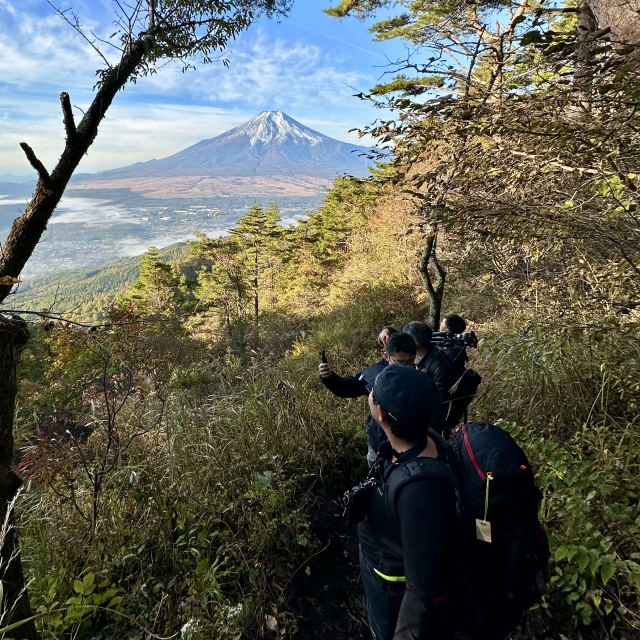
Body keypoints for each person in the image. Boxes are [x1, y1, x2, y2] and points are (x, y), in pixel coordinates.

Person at [359, 365, 456, 640]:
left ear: (381, 414)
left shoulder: (420, 493)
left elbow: (420, 591)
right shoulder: (424, 439)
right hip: (383, 566)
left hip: (393, 591)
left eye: (373, 394)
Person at [319, 333, 442, 465]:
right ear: (387, 357)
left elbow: (435, 411)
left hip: (413, 444)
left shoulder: (420, 380)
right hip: (379, 441)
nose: (404, 368)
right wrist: (329, 378)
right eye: (400, 362)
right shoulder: (375, 376)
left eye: (409, 363)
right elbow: (347, 387)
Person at [403, 321, 464, 432]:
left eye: (406, 338)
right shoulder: (417, 356)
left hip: (431, 421)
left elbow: (441, 402)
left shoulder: (439, 365)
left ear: (416, 342)